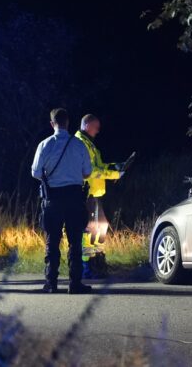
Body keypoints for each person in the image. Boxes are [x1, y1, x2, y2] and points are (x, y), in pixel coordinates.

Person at [31, 108, 93, 294]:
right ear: (68, 123)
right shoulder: (79, 145)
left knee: (52, 241)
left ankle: (51, 282)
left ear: (52, 124)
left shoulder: (45, 145)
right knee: (75, 242)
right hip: (74, 198)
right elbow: (87, 172)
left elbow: (35, 172)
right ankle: (75, 283)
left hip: (53, 199)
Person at [75, 114, 125, 278]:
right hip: (87, 193)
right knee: (90, 230)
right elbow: (91, 171)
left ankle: (97, 261)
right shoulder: (81, 143)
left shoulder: (89, 143)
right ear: (87, 124)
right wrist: (114, 175)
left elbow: (99, 166)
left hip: (95, 193)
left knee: (101, 226)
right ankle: (86, 266)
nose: (98, 130)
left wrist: (114, 166)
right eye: (96, 126)